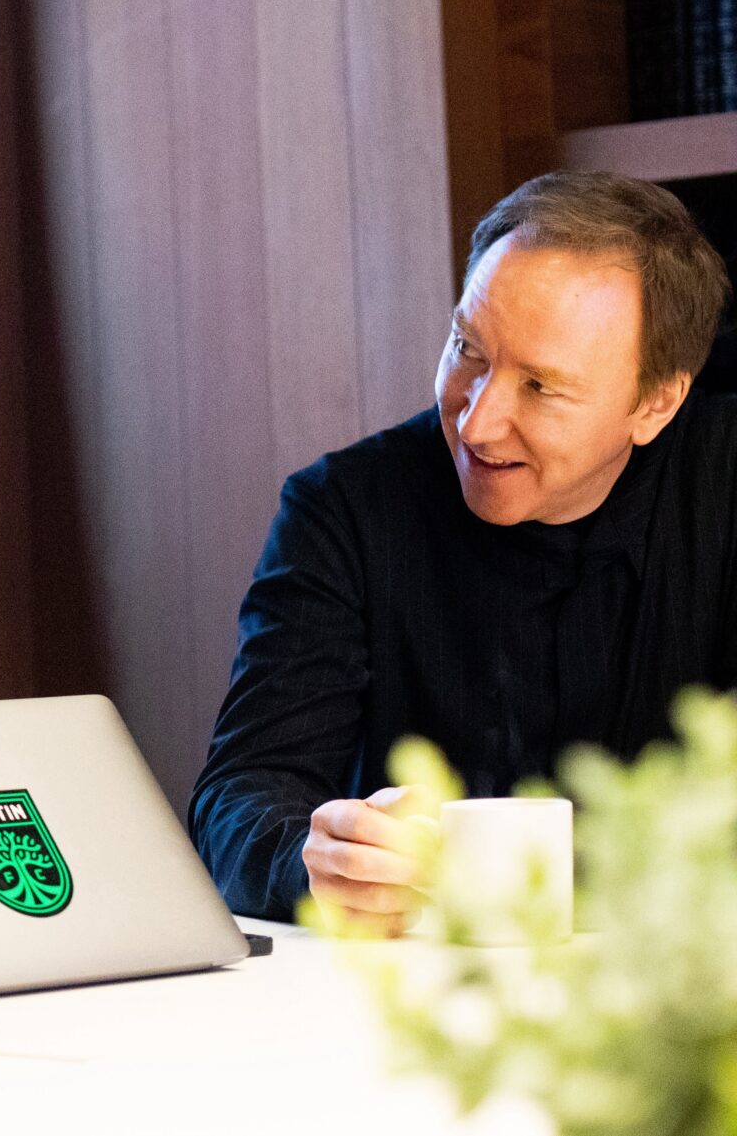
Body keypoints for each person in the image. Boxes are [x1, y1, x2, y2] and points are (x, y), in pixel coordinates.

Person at [190, 170, 736, 933]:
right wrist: (311, 863)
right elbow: (239, 795)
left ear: (657, 403)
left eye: (541, 387)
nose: (477, 424)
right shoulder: (345, 506)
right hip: (421, 997)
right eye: (468, 348)